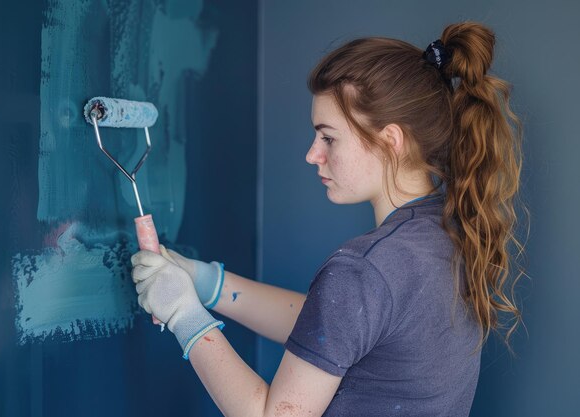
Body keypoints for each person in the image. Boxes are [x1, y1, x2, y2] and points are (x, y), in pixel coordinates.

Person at [130, 21, 527, 417]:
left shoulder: (364, 269)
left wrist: (185, 314)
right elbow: (331, 329)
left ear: (391, 141)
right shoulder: (446, 233)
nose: (312, 154)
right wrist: (209, 284)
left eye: (329, 137)